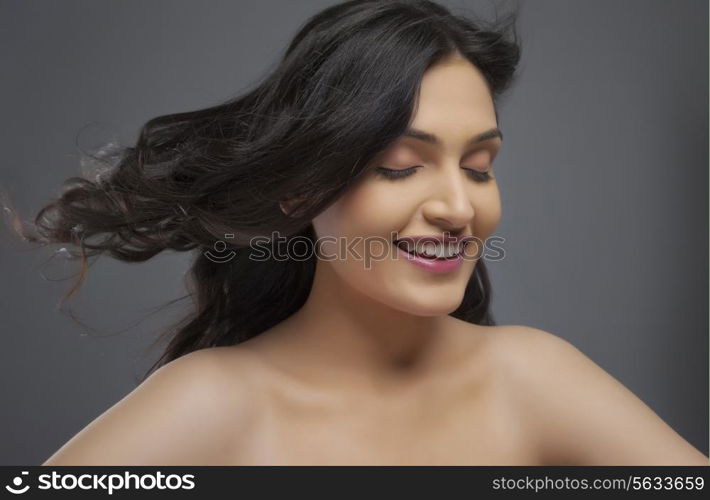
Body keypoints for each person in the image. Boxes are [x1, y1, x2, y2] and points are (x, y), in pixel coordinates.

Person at [4, 0, 706, 465]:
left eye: (480, 166)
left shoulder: (532, 377)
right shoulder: (213, 402)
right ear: (299, 188)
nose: (459, 207)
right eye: (402, 167)